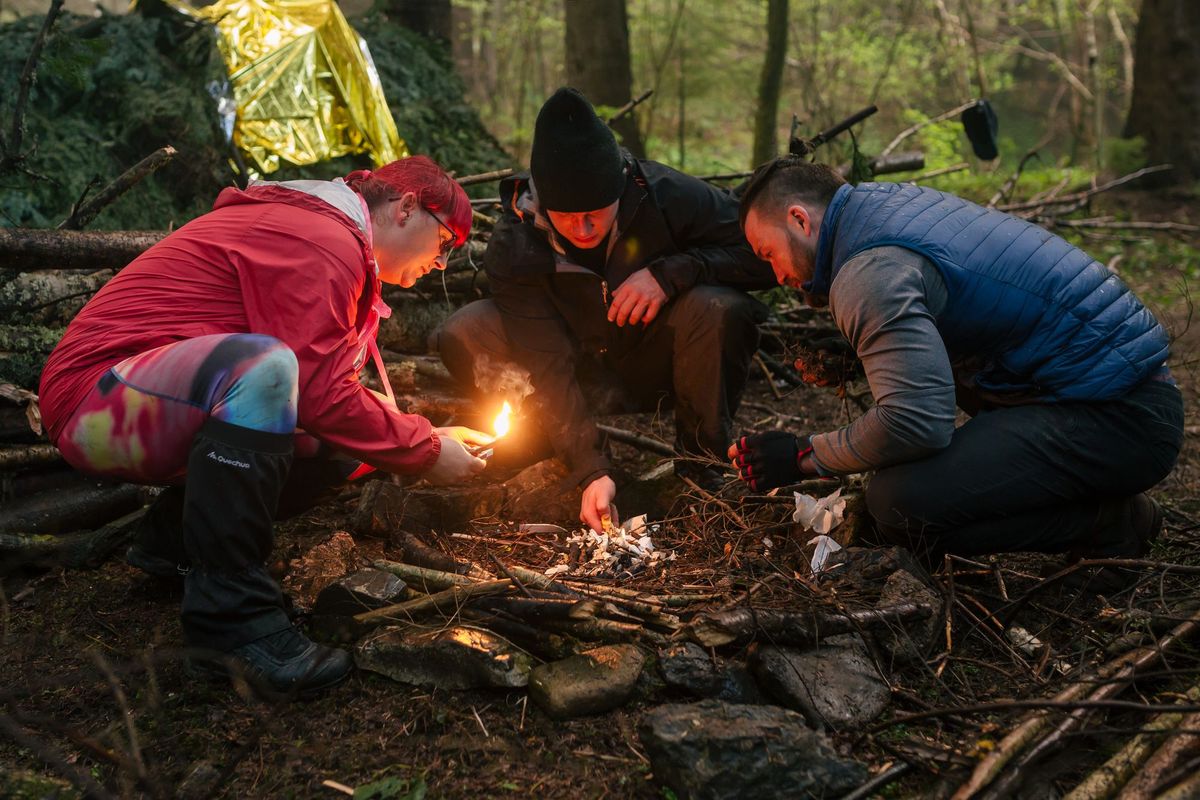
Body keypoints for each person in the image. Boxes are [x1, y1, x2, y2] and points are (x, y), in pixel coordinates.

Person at [38, 156, 490, 697]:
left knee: (335, 437)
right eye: (444, 245)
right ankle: (232, 628)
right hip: (93, 397)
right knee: (269, 370)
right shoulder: (326, 240)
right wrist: (424, 451)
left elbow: (329, 400)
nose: (440, 264)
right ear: (407, 207)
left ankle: (175, 542)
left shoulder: (321, 229)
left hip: (133, 396)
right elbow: (316, 388)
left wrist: (429, 438)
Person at [729, 157, 1183, 576]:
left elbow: (917, 424)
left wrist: (802, 456)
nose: (777, 276)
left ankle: (1111, 523)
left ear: (799, 219)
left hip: (1121, 420)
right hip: (1115, 391)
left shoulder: (867, 271)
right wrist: (858, 354)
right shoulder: (888, 204)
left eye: (768, 253)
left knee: (898, 504)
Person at [435, 88, 776, 534]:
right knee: (468, 330)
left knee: (717, 307)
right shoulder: (516, 243)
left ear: (619, 186)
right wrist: (592, 468)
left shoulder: (667, 195)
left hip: (662, 363)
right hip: (578, 368)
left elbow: (765, 254)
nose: (584, 228)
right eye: (567, 216)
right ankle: (553, 449)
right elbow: (545, 362)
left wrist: (675, 271)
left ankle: (700, 469)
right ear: (542, 202)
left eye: (597, 211)